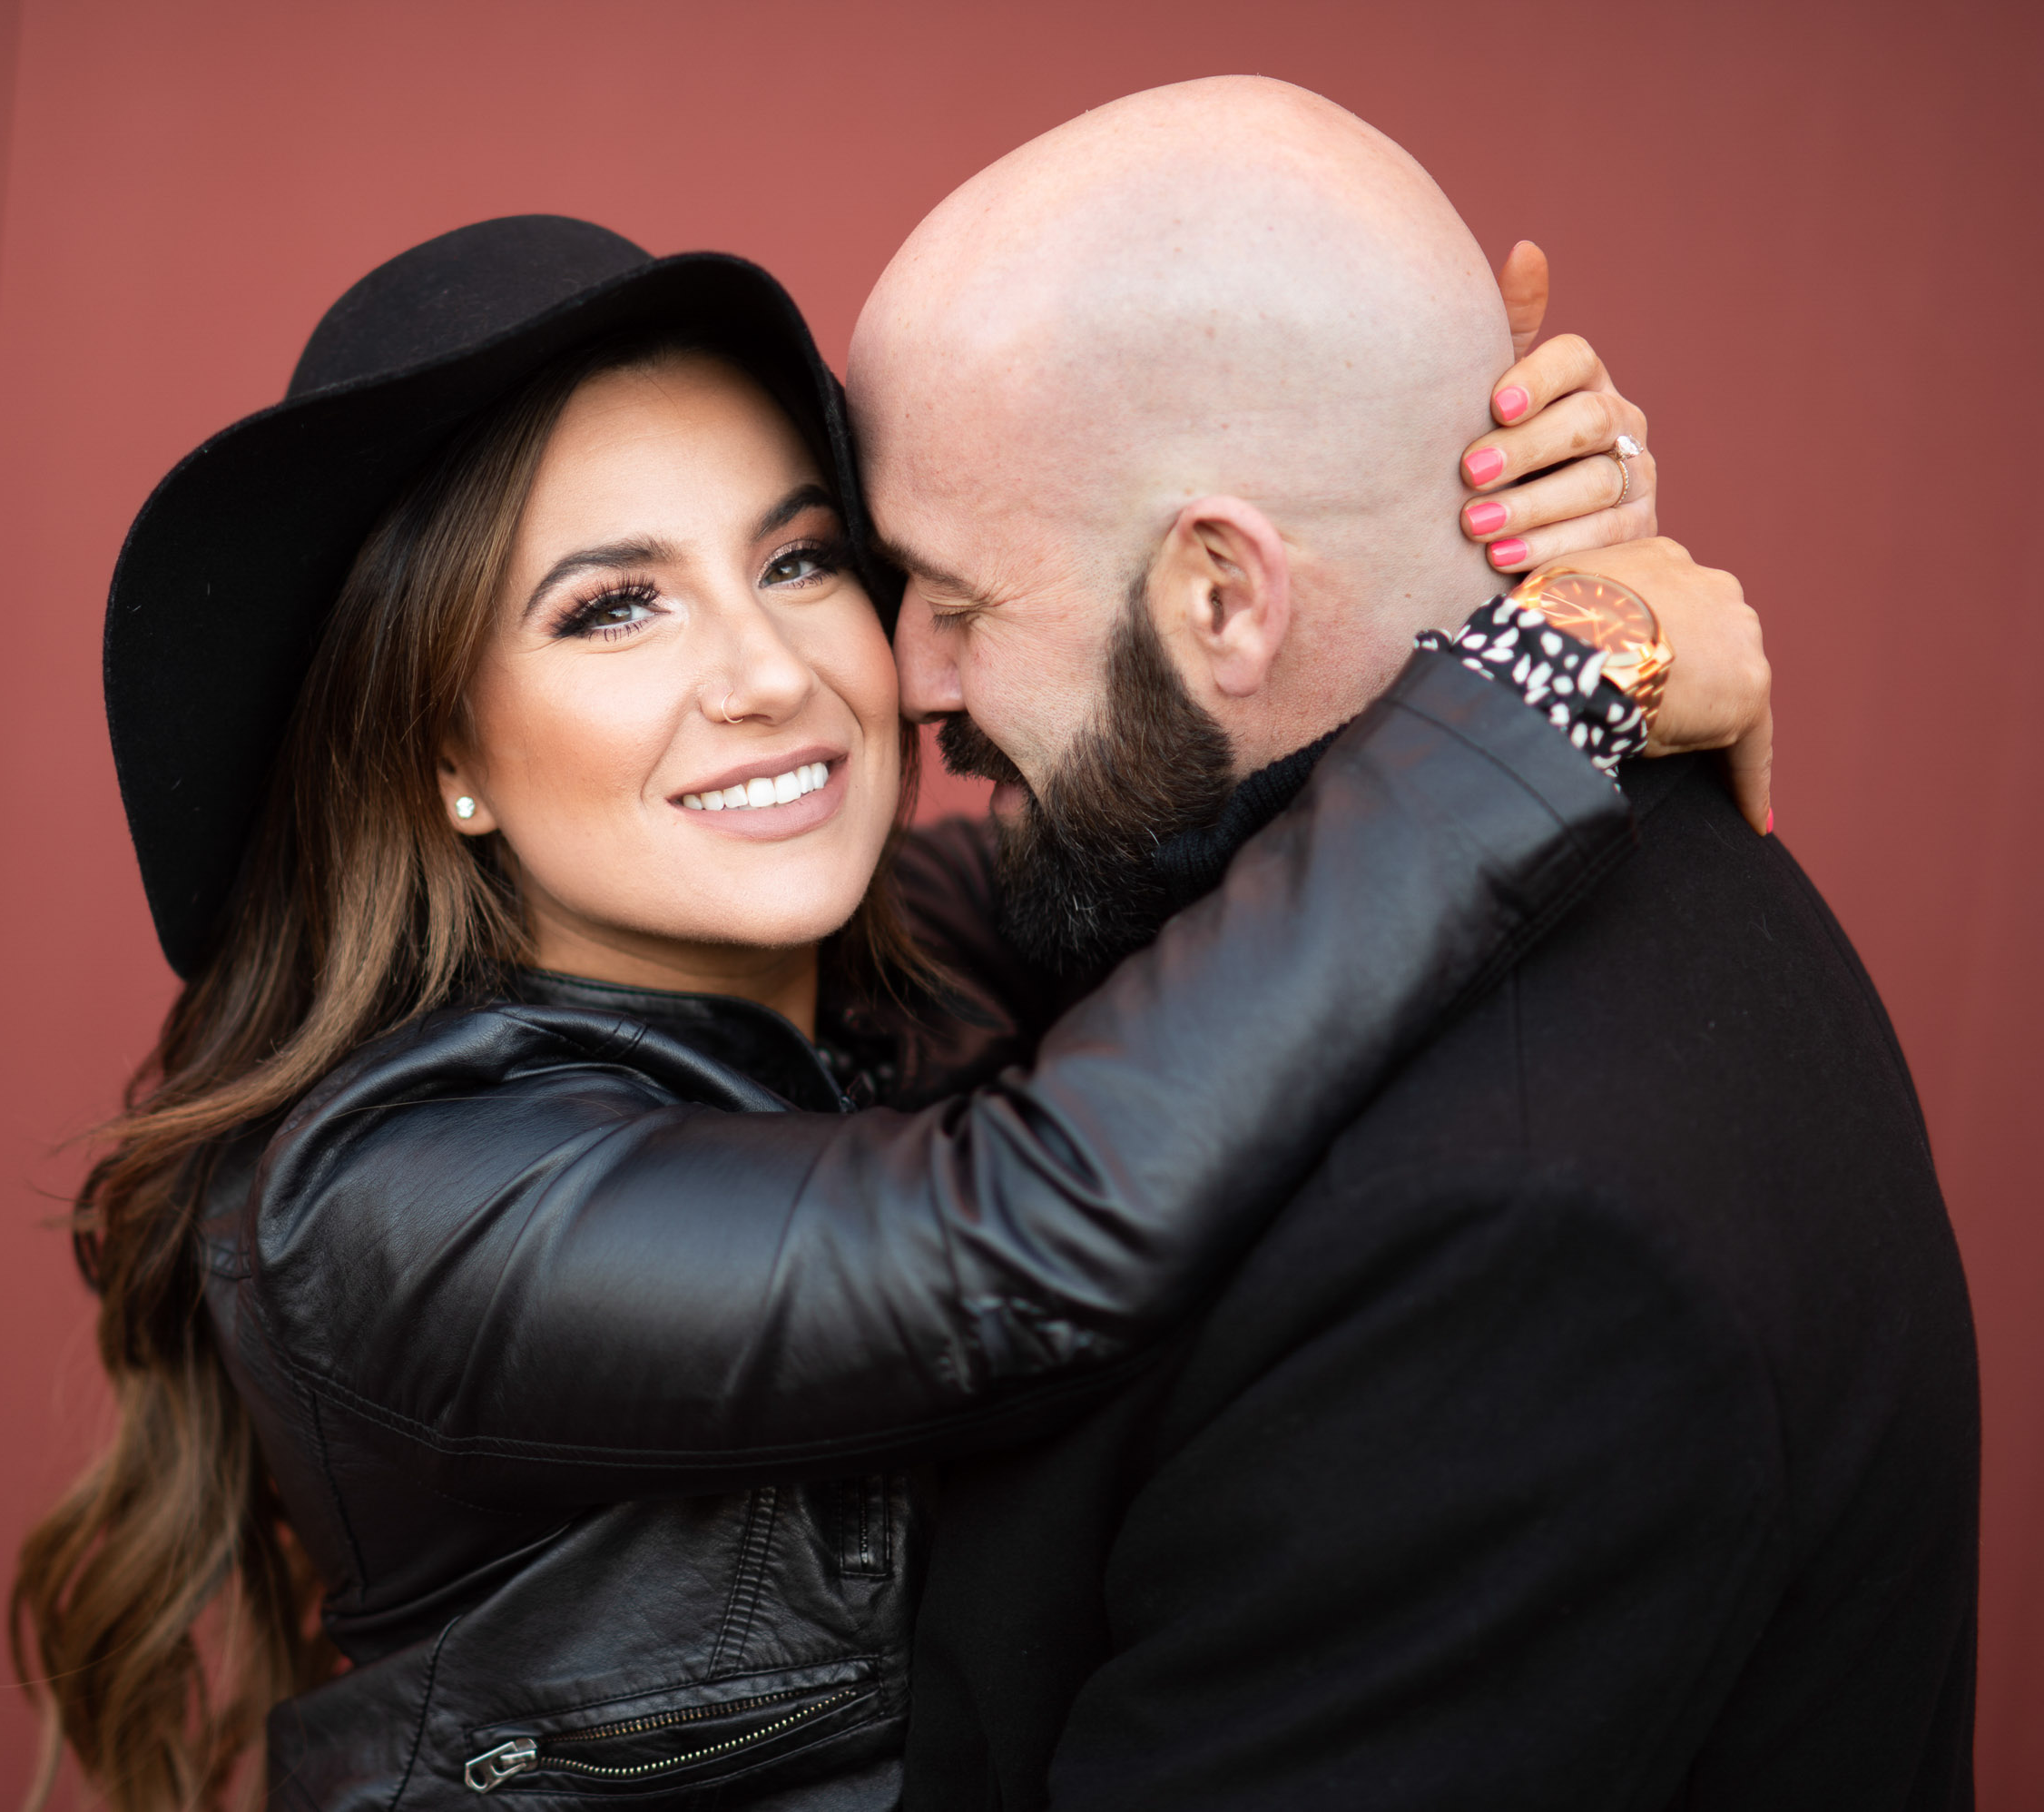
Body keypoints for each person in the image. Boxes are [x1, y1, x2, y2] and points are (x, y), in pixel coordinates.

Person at [13, 213, 1771, 1812]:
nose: (772, 673)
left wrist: (1483, 505)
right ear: (441, 752)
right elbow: (1016, 1237)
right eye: (613, 605)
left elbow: (1243, 839)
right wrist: (1563, 666)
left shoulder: (909, 960)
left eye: (795, 561)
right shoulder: (387, 1197)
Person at [844, 78, 1977, 1811]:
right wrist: (1575, 642)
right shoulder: (1252, 854)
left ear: (1225, 596)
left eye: (958, 603)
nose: (910, 682)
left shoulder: (1513, 1247)